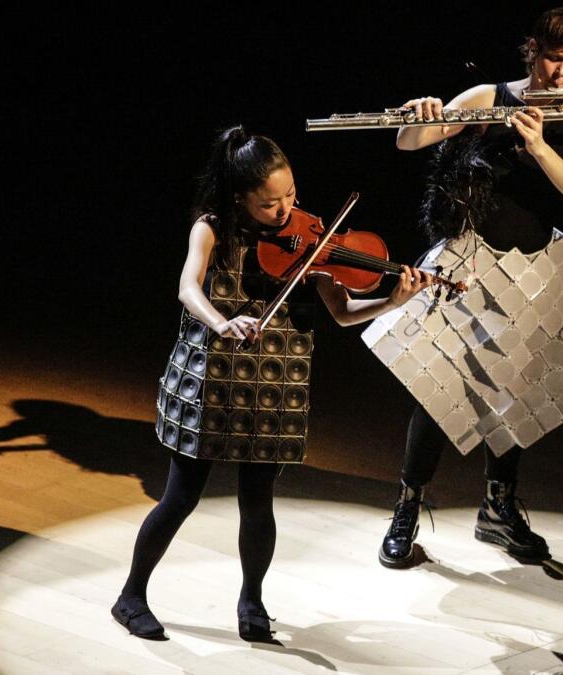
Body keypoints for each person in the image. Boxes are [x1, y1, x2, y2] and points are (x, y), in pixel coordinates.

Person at [112, 126, 431, 641]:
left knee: (258, 502)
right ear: (240, 198)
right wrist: (221, 321)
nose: (286, 212)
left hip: (276, 383)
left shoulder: (312, 240)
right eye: (269, 204)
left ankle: (252, 602)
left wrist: (395, 300)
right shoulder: (212, 228)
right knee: (181, 496)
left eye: (291, 197)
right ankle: (130, 596)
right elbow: (187, 287)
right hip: (212, 377)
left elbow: (344, 313)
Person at [369, 7, 563, 568]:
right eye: (554, 60)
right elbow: (410, 142)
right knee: (439, 386)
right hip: (471, 260)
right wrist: (424, 116)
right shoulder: (489, 96)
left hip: (533, 266)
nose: (562, 75)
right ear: (534, 52)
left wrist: (539, 146)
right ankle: (408, 506)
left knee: (516, 388)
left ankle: (498, 509)